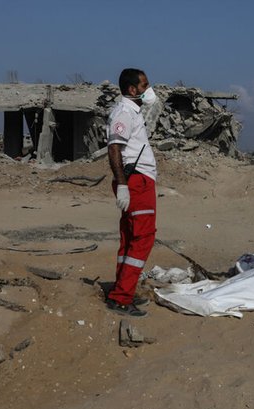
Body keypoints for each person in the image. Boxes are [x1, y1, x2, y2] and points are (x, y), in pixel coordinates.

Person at [104, 68, 160, 317]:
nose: (149, 89)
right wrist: (124, 185)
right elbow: (114, 148)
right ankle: (121, 297)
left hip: (136, 182)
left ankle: (121, 288)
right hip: (137, 183)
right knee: (142, 238)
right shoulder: (124, 112)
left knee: (129, 238)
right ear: (132, 90)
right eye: (145, 85)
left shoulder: (132, 112)